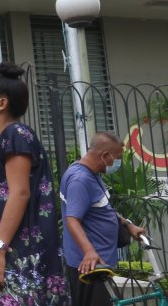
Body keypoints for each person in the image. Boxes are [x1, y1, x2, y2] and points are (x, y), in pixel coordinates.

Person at [0, 62, 67, 304]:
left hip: (22, 255)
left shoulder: (16, 135)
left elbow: (19, 194)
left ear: (1, 103)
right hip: (12, 251)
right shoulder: (4, 140)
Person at [61, 131, 145, 306]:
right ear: (105, 155)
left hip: (100, 265)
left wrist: (128, 224)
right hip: (90, 268)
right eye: (118, 158)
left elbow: (103, 208)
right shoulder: (80, 180)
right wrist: (89, 251)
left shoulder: (92, 174)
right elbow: (72, 220)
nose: (118, 162)